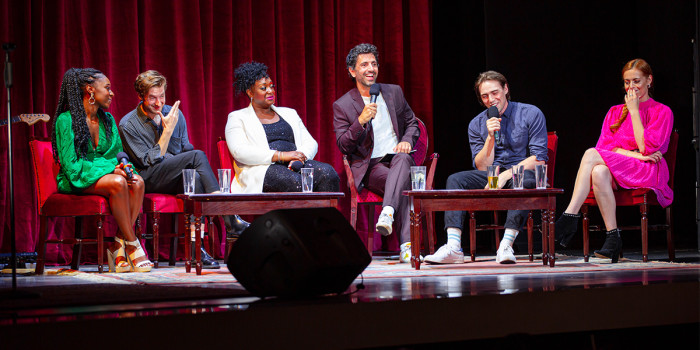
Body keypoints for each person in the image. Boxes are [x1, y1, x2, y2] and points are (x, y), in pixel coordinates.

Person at [119, 70, 249, 269]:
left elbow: (183, 149)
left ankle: (197, 249)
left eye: (161, 96)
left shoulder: (175, 114)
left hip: (172, 173)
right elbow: (149, 162)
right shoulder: (129, 124)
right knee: (197, 155)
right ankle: (228, 216)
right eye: (152, 97)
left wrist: (176, 136)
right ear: (140, 96)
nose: (158, 103)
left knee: (195, 179)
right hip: (147, 177)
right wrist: (167, 131)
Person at [555, 59, 673, 263]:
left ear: (649, 80)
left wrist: (635, 111)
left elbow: (647, 149)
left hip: (648, 171)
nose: (631, 87)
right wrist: (634, 154)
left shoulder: (662, 111)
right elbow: (605, 148)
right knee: (598, 171)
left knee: (590, 154)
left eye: (636, 81)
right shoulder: (615, 112)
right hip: (627, 166)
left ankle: (568, 216)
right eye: (627, 82)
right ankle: (613, 238)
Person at [425, 70, 548, 265]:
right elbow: (482, 166)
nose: (491, 99)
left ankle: (506, 246)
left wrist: (508, 174)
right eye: (485, 96)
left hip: (521, 173)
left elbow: (540, 158)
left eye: (495, 93)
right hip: (492, 174)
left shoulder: (530, 113)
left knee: (523, 179)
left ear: (506, 89)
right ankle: (453, 247)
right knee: (455, 179)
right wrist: (490, 137)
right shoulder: (477, 124)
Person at [51, 68, 152, 273]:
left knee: (138, 181)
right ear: (90, 90)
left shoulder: (108, 120)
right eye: (107, 88)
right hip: (75, 179)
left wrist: (122, 168)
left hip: (103, 175)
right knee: (118, 182)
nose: (111, 92)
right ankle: (132, 244)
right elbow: (72, 165)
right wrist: (111, 169)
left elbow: (116, 155)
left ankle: (118, 246)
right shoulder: (66, 120)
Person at [333, 43, 420, 262]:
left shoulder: (393, 92)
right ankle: (407, 247)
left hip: (399, 158)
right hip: (370, 166)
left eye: (374, 64)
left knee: (403, 158)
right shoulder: (343, 105)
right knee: (404, 184)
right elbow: (343, 145)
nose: (371, 68)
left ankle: (387, 212)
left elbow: (412, 124)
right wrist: (360, 121)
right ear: (352, 71)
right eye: (364, 65)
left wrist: (407, 141)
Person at [226, 61, 340, 193]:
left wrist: (299, 157)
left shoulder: (289, 113)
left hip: (295, 165)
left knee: (328, 174)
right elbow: (239, 151)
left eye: (271, 86)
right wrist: (280, 156)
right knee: (297, 183)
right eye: (263, 88)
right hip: (263, 169)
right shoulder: (238, 117)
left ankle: (324, 215)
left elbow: (310, 142)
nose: (270, 91)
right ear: (250, 93)